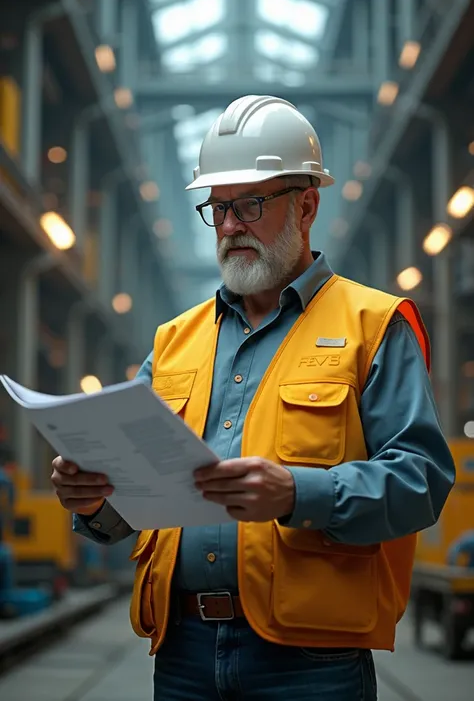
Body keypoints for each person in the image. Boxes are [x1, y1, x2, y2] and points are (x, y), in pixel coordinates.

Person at [52, 95, 456, 700]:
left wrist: (298, 492)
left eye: (251, 204)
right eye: (218, 208)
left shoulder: (373, 325)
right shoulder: (172, 343)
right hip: (183, 654)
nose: (231, 224)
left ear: (308, 204)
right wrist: (93, 499)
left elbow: (422, 481)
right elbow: (133, 501)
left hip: (312, 664)